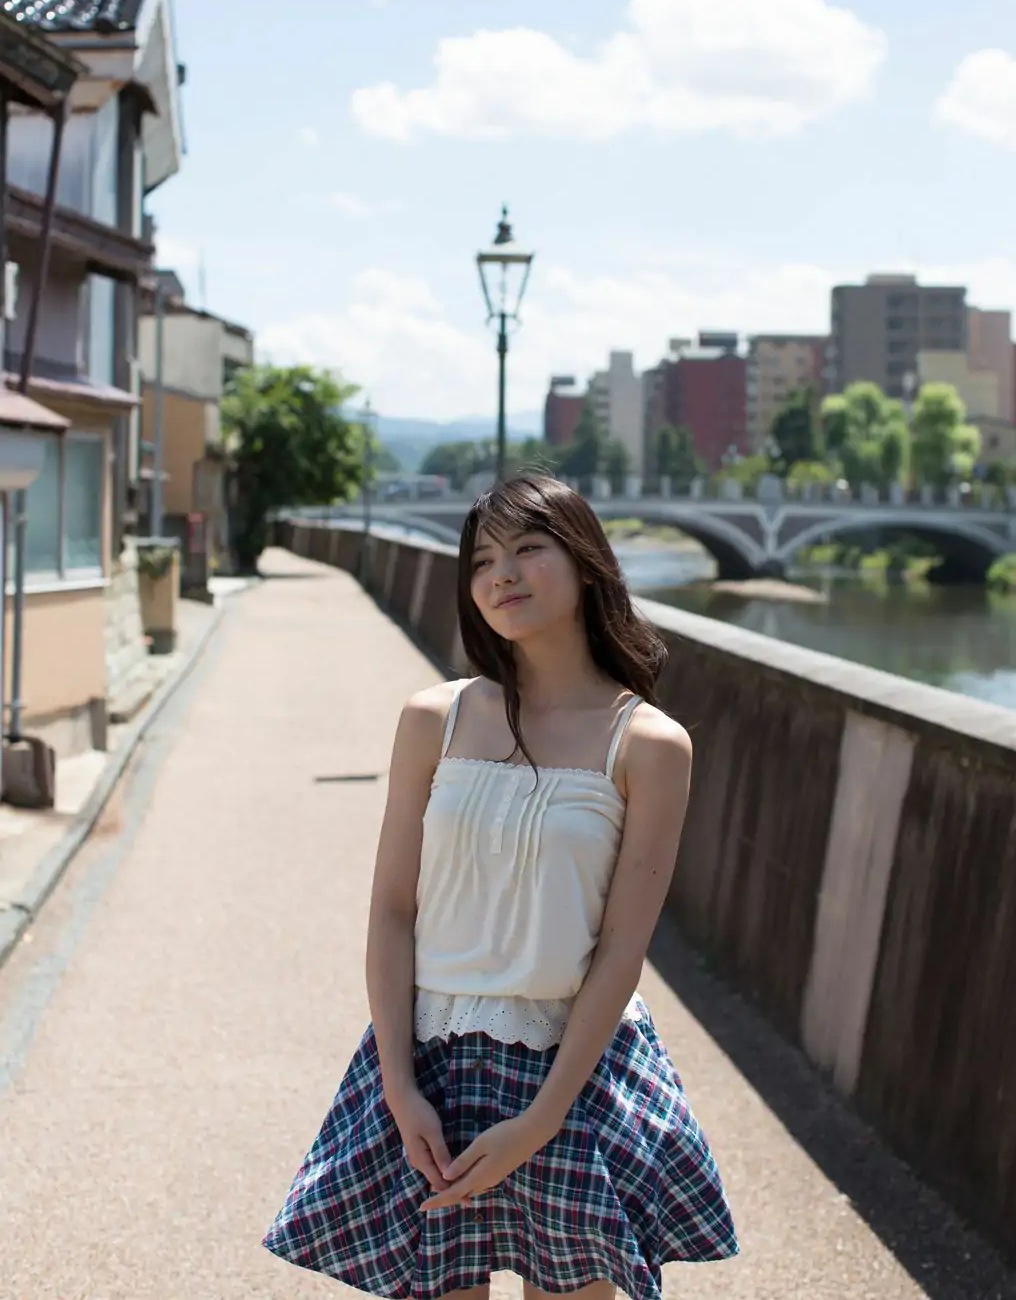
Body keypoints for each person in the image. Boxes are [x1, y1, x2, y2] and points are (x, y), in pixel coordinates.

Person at [263, 473, 738, 1298]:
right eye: (482, 559)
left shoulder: (650, 743)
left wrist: (545, 1116)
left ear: (586, 563)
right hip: (433, 1063)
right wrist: (398, 1083)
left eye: (527, 549)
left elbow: (623, 948)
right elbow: (391, 910)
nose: (501, 575)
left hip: (573, 1070)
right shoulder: (432, 719)